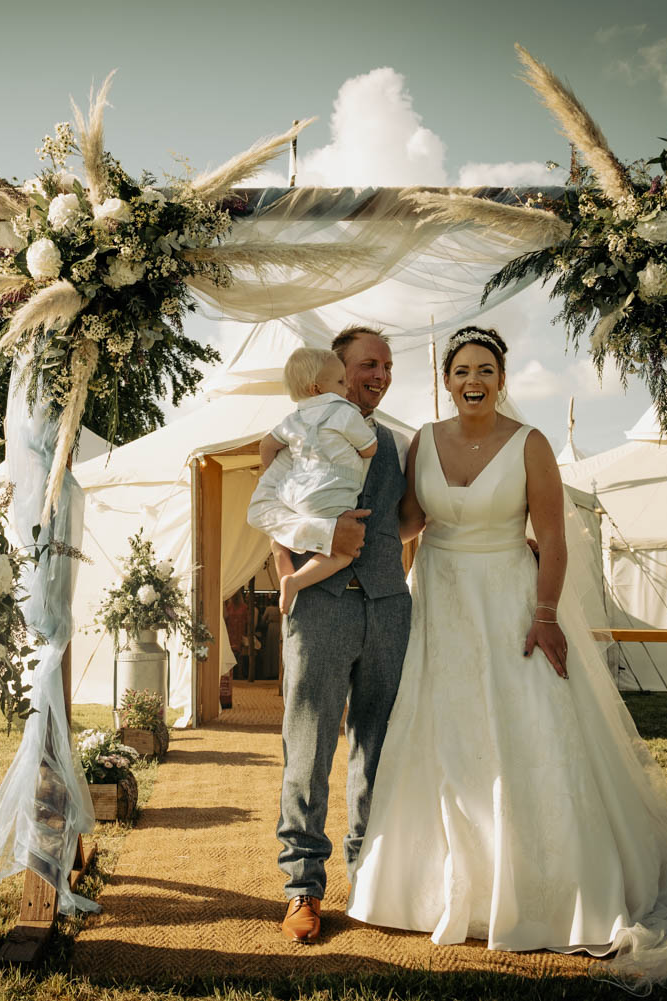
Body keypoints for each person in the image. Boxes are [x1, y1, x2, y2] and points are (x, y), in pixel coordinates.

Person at [345, 326, 667, 991]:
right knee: (439, 738)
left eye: (484, 368)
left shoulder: (529, 444)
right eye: (461, 370)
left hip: (510, 603)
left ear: (500, 378)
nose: (472, 379)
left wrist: (545, 612)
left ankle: (551, 889)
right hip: (441, 605)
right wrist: (342, 530)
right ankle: (426, 886)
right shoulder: (421, 439)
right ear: (447, 380)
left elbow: (554, 538)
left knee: (528, 734)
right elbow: (410, 519)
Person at [246, 326, 414, 944]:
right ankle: (302, 888)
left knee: (381, 748)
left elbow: (412, 517)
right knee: (309, 751)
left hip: (391, 608)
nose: (379, 375)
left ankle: (368, 875)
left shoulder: (396, 444)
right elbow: (275, 515)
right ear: (335, 371)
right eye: (368, 364)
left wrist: (506, 529)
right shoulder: (295, 431)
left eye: (387, 366)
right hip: (320, 608)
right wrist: (320, 543)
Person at [257, 347, 379, 614]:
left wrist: (279, 477)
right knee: (342, 554)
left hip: (294, 490)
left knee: (281, 533)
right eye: (339, 382)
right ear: (316, 388)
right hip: (327, 492)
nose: (346, 387)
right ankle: (295, 582)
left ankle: (281, 556)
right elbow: (370, 448)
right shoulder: (345, 413)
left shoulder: (293, 419)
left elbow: (266, 446)